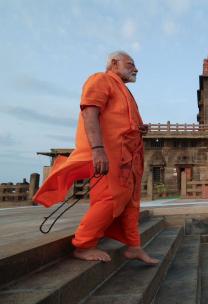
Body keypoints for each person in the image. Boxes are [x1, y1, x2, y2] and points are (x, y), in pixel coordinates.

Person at [34, 51, 159, 264]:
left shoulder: (124, 91)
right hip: (109, 154)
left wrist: (139, 128)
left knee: (130, 202)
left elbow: (121, 121)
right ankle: (83, 245)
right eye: (130, 64)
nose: (135, 69)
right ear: (113, 63)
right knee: (109, 199)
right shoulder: (100, 80)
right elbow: (89, 112)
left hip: (129, 158)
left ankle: (134, 246)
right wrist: (98, 148)